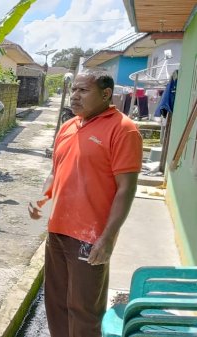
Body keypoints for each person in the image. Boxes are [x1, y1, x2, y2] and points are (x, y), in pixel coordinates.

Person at [28, 71, 142, 336]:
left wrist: (108, 237)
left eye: (83, 91)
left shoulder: (123, 130)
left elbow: (127, 188)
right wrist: (42, 199)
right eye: (74, 90)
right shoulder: (69, 126)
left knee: (84, 309)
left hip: (90, 237)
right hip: (57, 231)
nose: (75, 96)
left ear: (105, 94)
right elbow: (56, 172)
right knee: (56, 304)